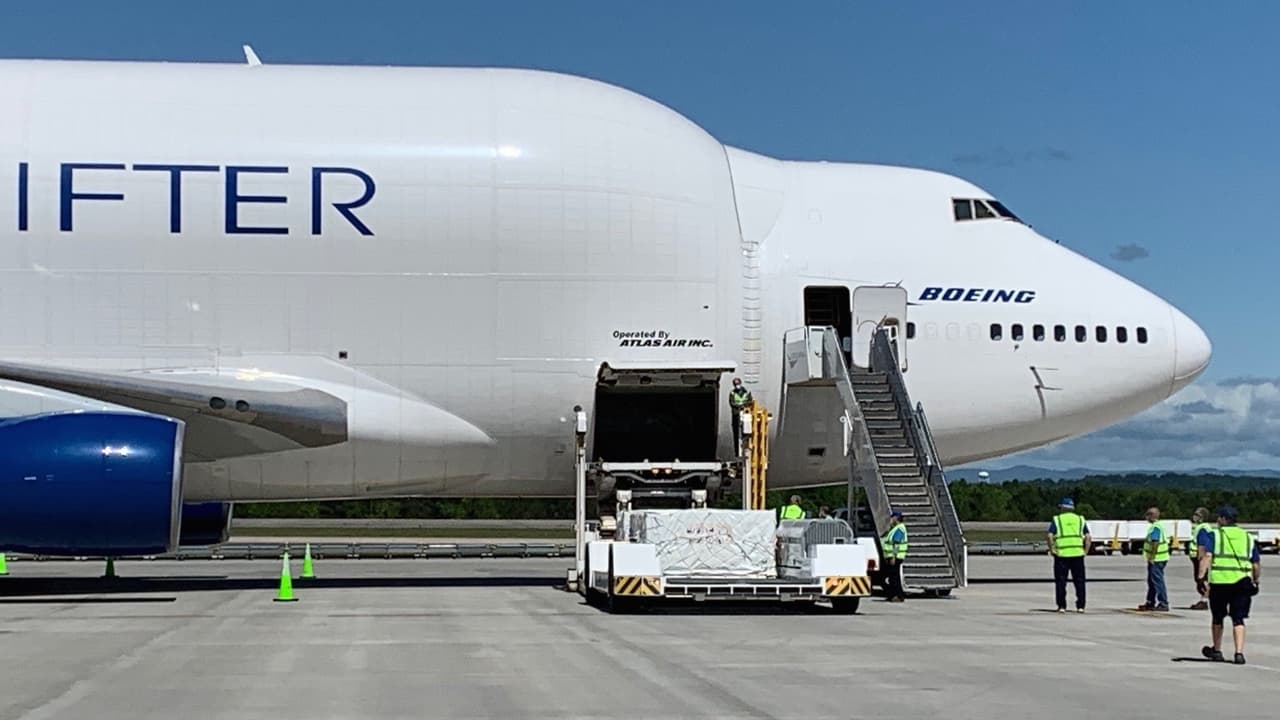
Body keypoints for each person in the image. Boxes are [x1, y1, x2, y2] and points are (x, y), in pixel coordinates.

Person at [1196, 505, 1261, 665]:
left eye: (1219, 517)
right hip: (1242, 582)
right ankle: (1239, 653)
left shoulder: (1216, 535)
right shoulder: (1247, 537)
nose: (1217, 520)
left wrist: (1200, 577)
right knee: (1238, 618)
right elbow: (1256, 563)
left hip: (1220, 582)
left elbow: (1207, 556)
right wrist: (1256, 580)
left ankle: (1217, 650)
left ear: (1224, 519)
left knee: (1218, 617)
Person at [1047, 498, 1091, 613]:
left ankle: (1062, 606)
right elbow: (1088, 537)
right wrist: (1085, 551)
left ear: (1062, 508)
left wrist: (1052, 549)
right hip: (1078, 554)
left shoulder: (1057, 519)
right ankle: (1080, 606)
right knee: (1080, 581)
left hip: (1062, 555)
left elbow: (1050, 535)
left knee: (1061, 581)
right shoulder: (1080, 519)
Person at [1138, 507, 1170, 612]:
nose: (1146, 517)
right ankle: (1150, 601)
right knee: (1151, 581)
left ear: (1152, 515)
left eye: (1148, 514)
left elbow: (1155, 542)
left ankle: (1163, 603)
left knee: (1157, 581)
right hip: (1160, 557)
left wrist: (1152, 556)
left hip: (1157, 558)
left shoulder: (1155, 527)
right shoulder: (1159, 525)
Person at [1186, 507, 1213, 610]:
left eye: (1197, 515)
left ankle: (1204, 600)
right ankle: (1205, 599)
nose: (1194, 517)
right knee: (1201, 580)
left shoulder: (1202, 528)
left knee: (1202, 580)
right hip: (1197, 558)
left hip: (1201, 558)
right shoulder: (1202, 527)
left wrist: (1200, 557)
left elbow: (1202, 545)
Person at [881, 510, 908, 602]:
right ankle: (892, 595)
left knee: (894, 577)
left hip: (896, 556)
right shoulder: (895, 528)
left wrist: (893, 556)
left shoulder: (900, 528)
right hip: (892, 556)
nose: (891, 519)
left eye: (892, 518)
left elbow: (896, 544)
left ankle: (898, 595)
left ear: (896, 518)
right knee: (892, 577)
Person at [728, 377, 753, 456]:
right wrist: (739, 407)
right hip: (736, 415)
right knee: (736, 435)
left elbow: (750, 402)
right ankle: (738, 453)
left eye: (738, 384)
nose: (737, 386)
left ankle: (747, 450)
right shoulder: (732, 393)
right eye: (735, 384)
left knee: (747, 433)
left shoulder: (747, 392)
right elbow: (732, 403)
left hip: (745, 415)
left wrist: (743, 406)